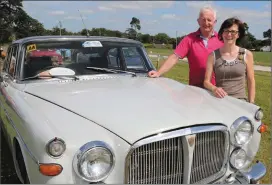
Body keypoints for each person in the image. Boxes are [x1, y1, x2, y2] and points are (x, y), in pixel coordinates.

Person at [148, 6, 224, 88]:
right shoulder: (189, 39)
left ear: (215, 22)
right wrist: (158, 73)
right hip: (196, 89)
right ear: (198, 21)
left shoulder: (222, 40)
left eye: (209, 20)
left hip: (217, 90)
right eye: (203, 19)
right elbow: (175, 57)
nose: (206, 23)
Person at [203, 17, 255, 103]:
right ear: (222, 33)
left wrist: (251, 102)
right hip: (221, 101)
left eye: (233, 31)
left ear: (238, 35)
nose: (229, 34)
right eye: (226, 31)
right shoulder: (213, 56)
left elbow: (251, 80)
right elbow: (206, 82)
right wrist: (214, 88)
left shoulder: (247, 54)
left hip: (241, 102)